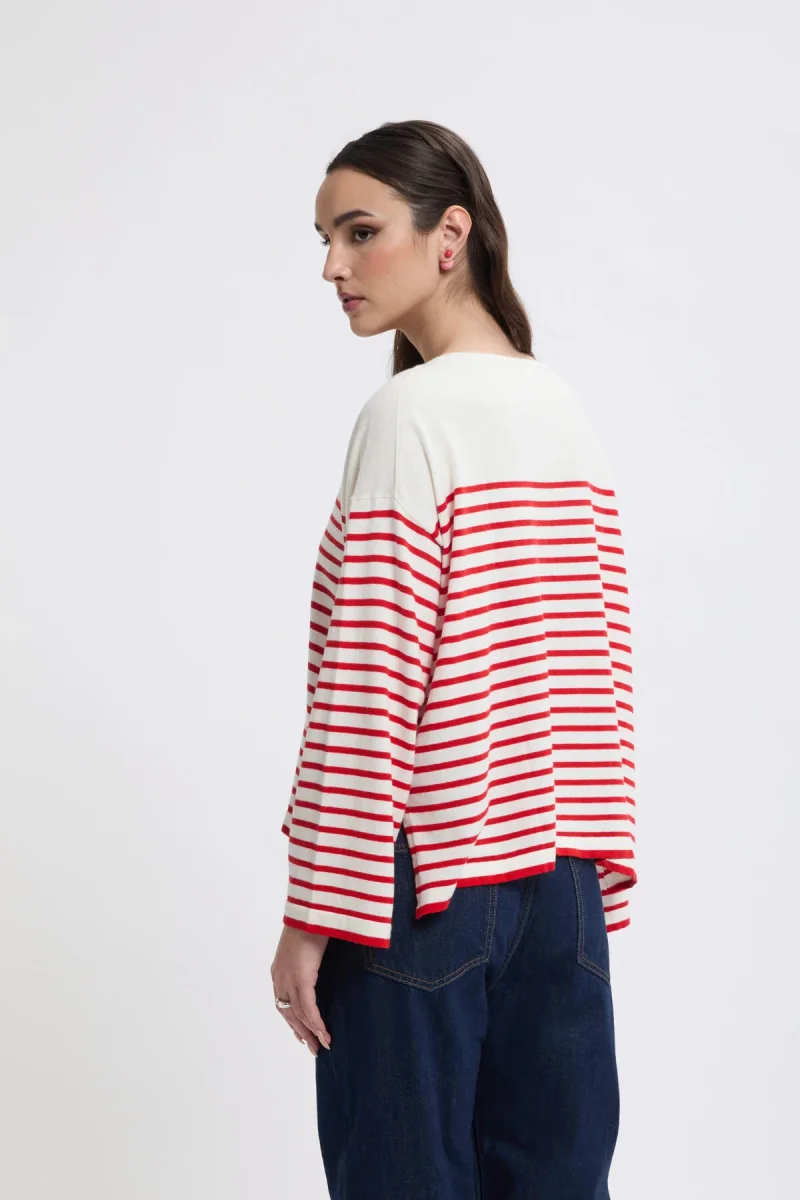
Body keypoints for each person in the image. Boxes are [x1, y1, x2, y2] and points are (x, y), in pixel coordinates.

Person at [270, 119, 637, 1200]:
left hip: (424, 886)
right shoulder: (561, 409)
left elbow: (370, 688)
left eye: (360, 232)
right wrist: (594, 882)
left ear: (449, 235)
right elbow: (599, 671)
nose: (333, 267)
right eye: (326, 240)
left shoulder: (408, 415)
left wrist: (312, 914)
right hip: (560, 879)